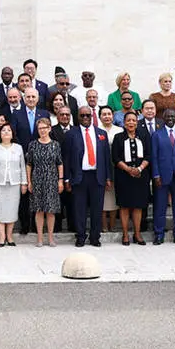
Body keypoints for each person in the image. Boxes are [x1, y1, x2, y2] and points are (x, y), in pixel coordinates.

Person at [64, 106, 113, 247]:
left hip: (97, 176)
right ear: (77, 117)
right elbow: (66, 158)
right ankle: (80, 236)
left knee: (97, 209)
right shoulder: (71, 134)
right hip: (79, 176)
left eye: (87, 115)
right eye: (82, 115)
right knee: (79, 209)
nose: (85, 118)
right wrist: (66, 178)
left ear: (92, 117)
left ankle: (95, 237)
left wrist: (108, 177)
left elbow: (106, 157)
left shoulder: (101, 133)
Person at [150, 107, 175, 245]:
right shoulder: (157, 135)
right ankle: (159, 234)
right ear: (163, 118)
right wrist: (156, 174)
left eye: (172, 116)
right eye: (168, 116)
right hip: (162, 176)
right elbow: (154, 157)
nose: (170, 119)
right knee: (160, 206)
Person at [112, 111, 151, 245]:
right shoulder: (118, 137)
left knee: (138, 206)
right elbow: (115, 157)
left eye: (134, 120)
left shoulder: (144, 136)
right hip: (123, 176)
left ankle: (137, 234)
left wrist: (139, 169)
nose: (131, 123)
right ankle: (125, 235)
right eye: (128, 120)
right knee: (124, 206)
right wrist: (128, 169)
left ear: (137, 122)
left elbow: (148, 155)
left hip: (141, 175)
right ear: (124, 123)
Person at [0, 122, 27, 247]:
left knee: (12, 210)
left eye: (9, 130)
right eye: (3, 130)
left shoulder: (18, 148)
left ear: (12, 134)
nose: (6, 132)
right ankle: (1, 236)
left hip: (14, 183)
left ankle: (9, 236)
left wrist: (24, 183)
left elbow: (22, 166)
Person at [25, 117, 63, 247]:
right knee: (39, 210)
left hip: (52, 180)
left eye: (44, 128)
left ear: (49, 128)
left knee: (51, 210)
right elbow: (29, 164)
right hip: (37, 180)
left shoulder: (55, 145)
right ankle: (40, 238)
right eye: (40, 128)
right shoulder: (33, 145)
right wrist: (29, 181)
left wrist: (60, 180)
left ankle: (51, 238)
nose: (42, 130)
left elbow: (59, 163)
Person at [100, 104, 122, 232]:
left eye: (109, 114)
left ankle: (112, 225)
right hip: (101, 169)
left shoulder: (119, 130)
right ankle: (104, 226)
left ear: (113, 116)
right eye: (104, 114)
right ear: (100, 117)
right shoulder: (96, 130)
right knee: (103, 200)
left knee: (113, 200)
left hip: (116, 168)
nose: (107, 116)